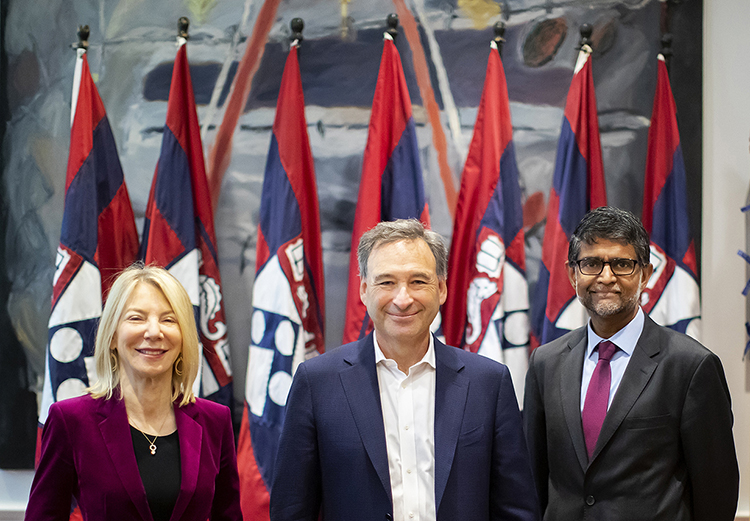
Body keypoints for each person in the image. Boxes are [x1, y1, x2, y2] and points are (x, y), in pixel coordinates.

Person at [270, 218, 540, 521]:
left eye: (418, 281)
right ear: (363, 290)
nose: (403, 298)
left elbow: (516, 510)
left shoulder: (489, 383)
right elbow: (291, 509)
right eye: (386, 282)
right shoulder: (317, 383)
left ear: (440, 289)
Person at [523, 206, 739, 520]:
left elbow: (716, 493)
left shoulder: (690, 366)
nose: (606, 277)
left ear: (646, 275)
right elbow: (533, 477)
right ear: (572, 274)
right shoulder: (545, 363)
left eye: (622, 264)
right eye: (591, 263)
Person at [26, 265, 242, 520]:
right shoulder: (71, 419)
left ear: (184, 337)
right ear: (113, 336)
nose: (153, 332)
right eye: (136, 318)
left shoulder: (215, 421)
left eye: (169, 320)